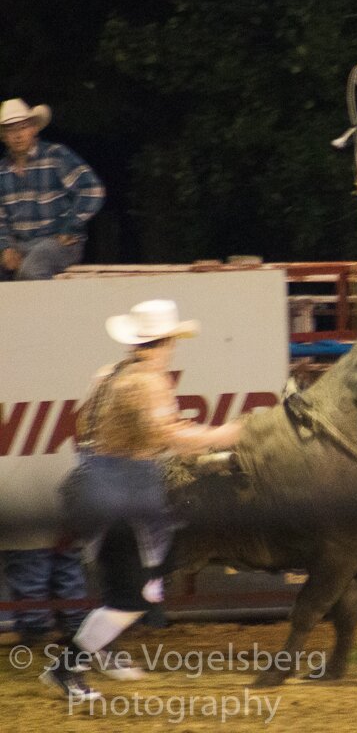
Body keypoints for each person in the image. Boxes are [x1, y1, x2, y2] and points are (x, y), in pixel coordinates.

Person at [40, 300, 245, 700]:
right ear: (165, 342)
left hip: (99, 484)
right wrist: (227, 435)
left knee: (132, 583)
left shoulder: (110, 374)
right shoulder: (148, 382)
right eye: (172, 341)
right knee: (133, 596)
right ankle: (67, 668)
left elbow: (86, 426)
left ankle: (101, 649)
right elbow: (172, 436)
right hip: (123, 495)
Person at [0, 98, 105, 280]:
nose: (18, 135)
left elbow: (92, 190)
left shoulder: (55, 156)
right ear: (3, 136)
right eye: (11, 130)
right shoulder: (2, 170)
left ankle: (44, 300)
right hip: (20, 244)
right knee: (16, 266)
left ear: (34, 128)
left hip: (58, 241)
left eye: (23, 127)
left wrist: (70, 225)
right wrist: (5, 248)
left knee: (32, 269)